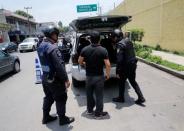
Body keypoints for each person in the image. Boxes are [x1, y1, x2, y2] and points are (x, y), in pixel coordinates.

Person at [37, 26, 74, 125]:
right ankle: (62, 119)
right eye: (56, 34)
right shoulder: (52, 48)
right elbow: (59, 66)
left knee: (48, 97)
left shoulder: (41, 46)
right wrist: (66, 79)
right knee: (61, 97)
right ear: (53, 34)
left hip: (45, 77)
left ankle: (45, 117)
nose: (57, 36)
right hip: (55, 79)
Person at [78, 31, 111, 119]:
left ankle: (89, 111)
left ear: (90, 39)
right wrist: (107, 75)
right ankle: (98, 114)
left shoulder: (85, 49)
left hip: (89, 76)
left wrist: (85, 64)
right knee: (99, 96)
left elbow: (79, 61)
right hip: (99, 77)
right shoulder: (103, 50)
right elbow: (108, 64)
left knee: (89, 94)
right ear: (99, 39)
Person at [112, 29, 146, 105]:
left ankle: (121, 98)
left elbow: (119, 60)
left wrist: (117, 71)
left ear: (117, 37)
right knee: (133, 81)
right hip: (133, 65)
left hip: (125, 67)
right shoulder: (128, 41)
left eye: (114, 37)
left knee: (121, 82)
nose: (113, 39)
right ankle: (141, 97)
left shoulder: (120, 45)